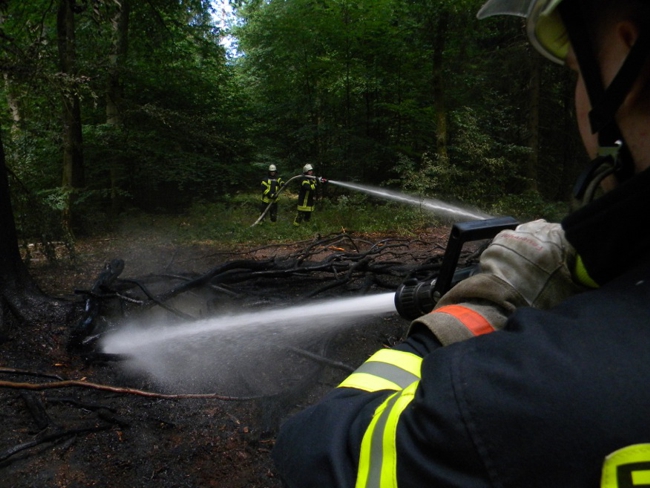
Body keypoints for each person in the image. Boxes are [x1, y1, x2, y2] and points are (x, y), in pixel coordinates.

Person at [272, 0, 650, 486]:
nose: (578, 94)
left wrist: (487, 301)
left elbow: (314, 449)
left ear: (629, 55)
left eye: (577, 72)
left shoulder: (518, 397)